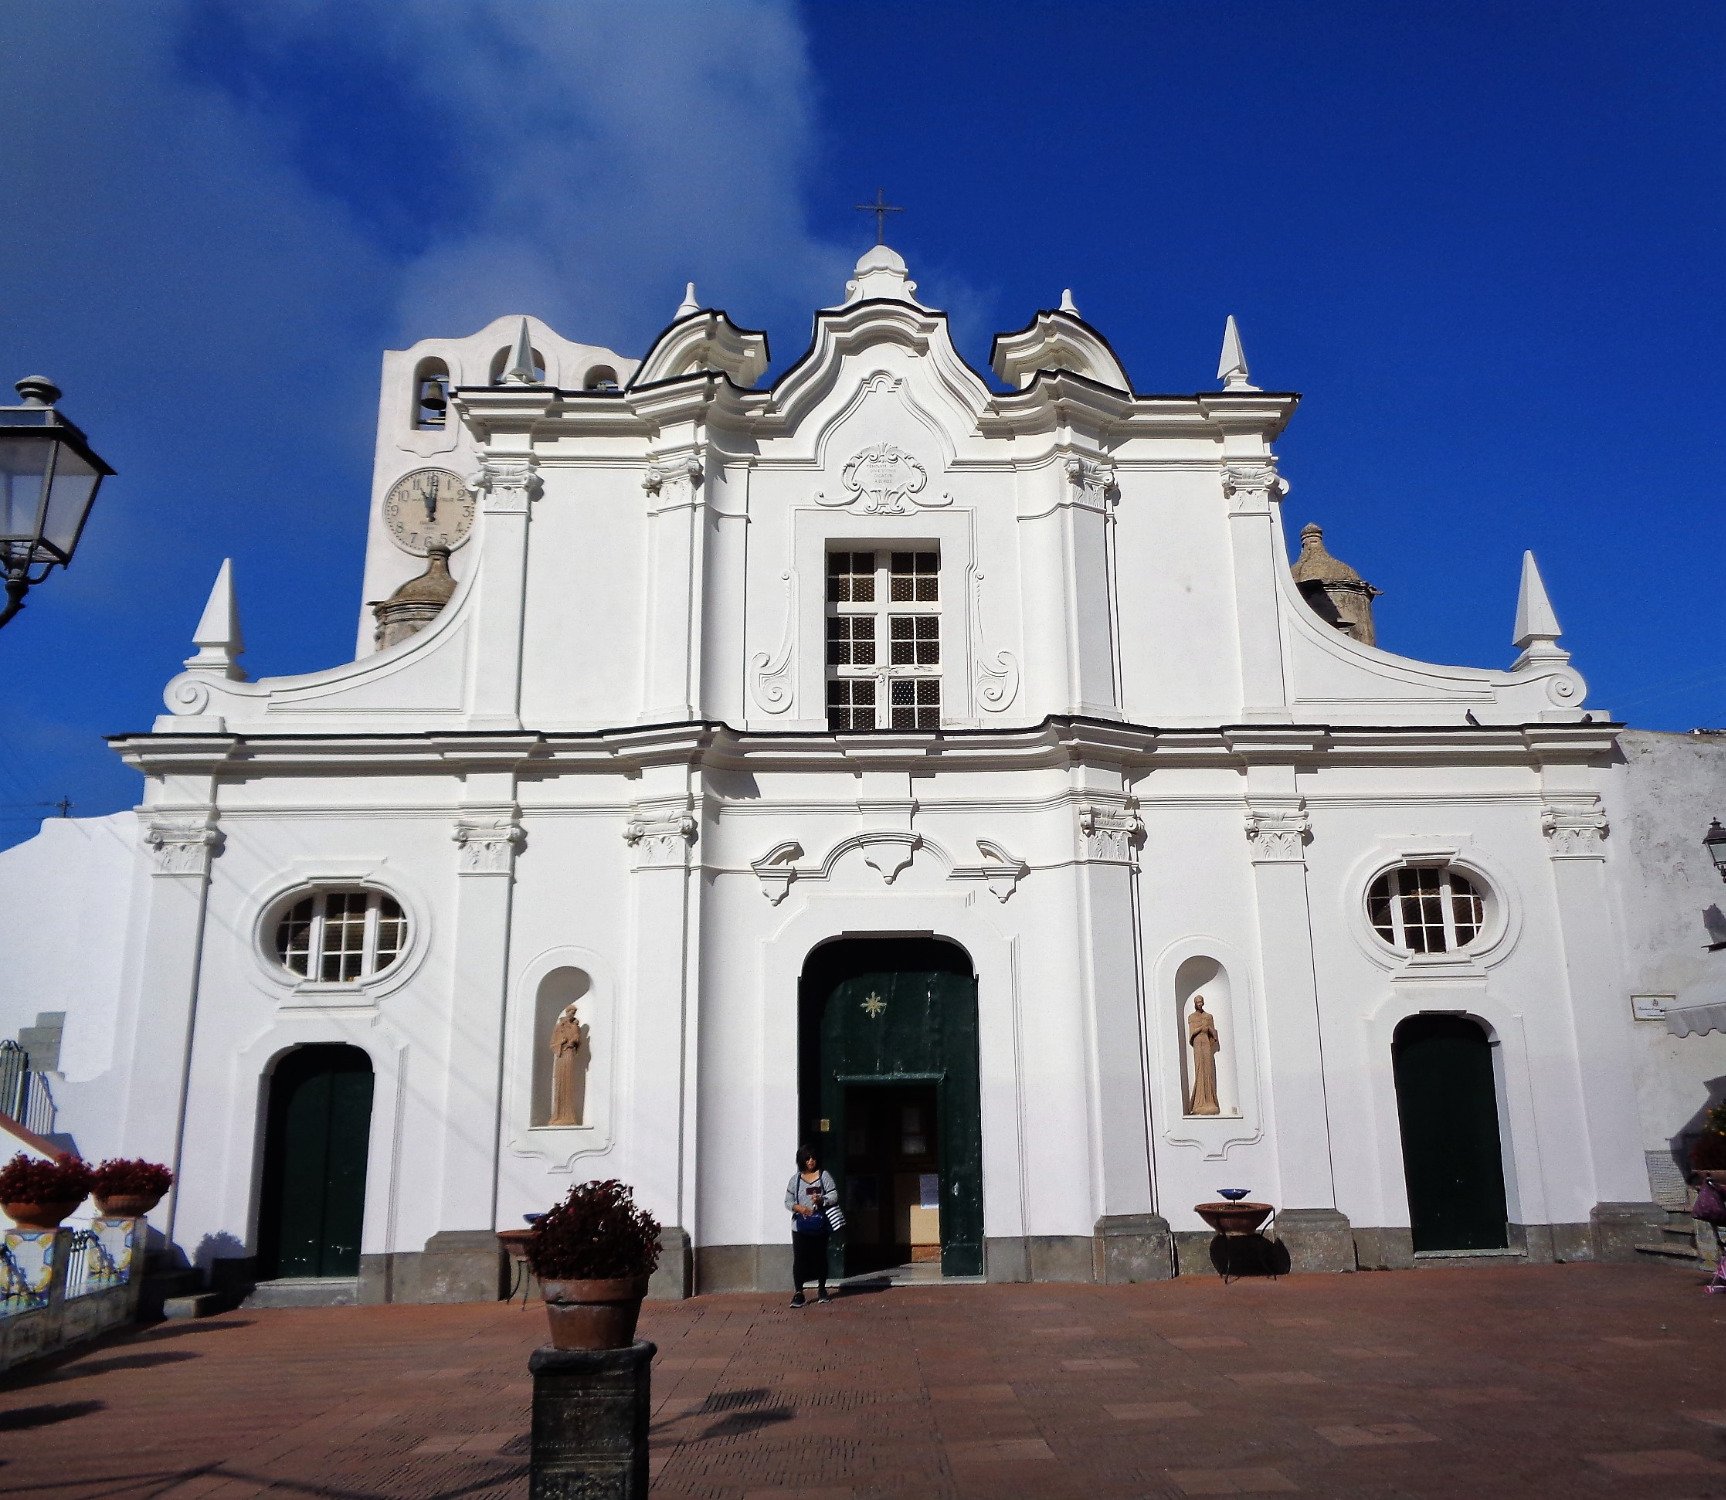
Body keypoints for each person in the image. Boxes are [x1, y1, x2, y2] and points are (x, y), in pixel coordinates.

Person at [785, 1144, 839, 1307]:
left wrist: (822, 1200)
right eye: (807, 1158)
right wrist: (798, 1207)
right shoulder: (795, 1180)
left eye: (813, 1158)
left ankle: (822, 1289)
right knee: (800, 1258)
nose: (810, 1161)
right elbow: (788, 1201)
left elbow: (834, 1195)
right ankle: (799, 1292)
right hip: (800, 1226)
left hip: (819, 1223)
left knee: (820, 1257)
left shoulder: (824, 1176)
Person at [1187, 996, 1221, 1115]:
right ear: (1195, 1004)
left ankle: (1210, 1101)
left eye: (1201, 1002)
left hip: (1206, 1042)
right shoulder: (1192, 1017)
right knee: (1199, 1069)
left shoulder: (1208, 1016)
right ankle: (1199, 1102)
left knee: (1208, 1070)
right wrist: (1201, 1027)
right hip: (1197, 1043)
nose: (1200, 1004)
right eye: (1197, 1002)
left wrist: (1210, 1030)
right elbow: (1191, 1033)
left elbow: (1214, 1034)